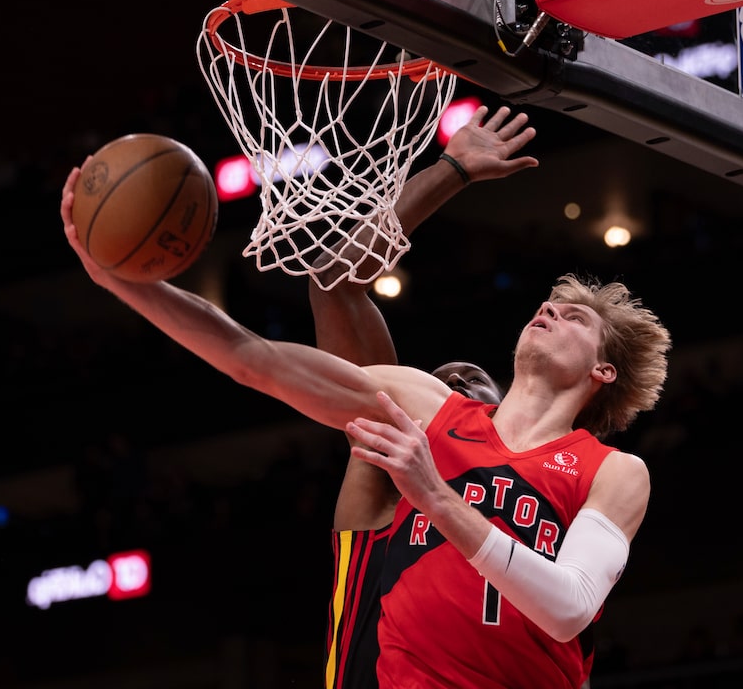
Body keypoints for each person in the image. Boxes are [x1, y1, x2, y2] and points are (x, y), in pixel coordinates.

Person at [60, 125, 672, 689]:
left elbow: (569, 609)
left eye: (576, 316)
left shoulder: (611, 471)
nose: (551, 310)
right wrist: (119, 280)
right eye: (549, 303)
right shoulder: (416, 424)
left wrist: (437, 497)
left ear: (604, 370)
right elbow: (256, 354)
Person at [314, 105, 535, 689]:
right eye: (441, 383)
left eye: (471, 389)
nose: (454, 384)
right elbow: (335, 284)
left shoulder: (543, 498)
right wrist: (452, 171)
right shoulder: (383, 483)